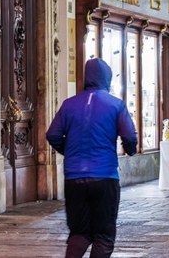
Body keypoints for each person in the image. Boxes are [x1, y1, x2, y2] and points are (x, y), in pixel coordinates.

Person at [45, 58, 138, 258]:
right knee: (103, 235)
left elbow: (52, 134)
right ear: (107, 78)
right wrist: (131, 149)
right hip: (104, 176)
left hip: (74, 178)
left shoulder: (69, 105)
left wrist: (69, 151)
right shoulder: (116, 105)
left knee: (79, 233)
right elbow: (129, 136)